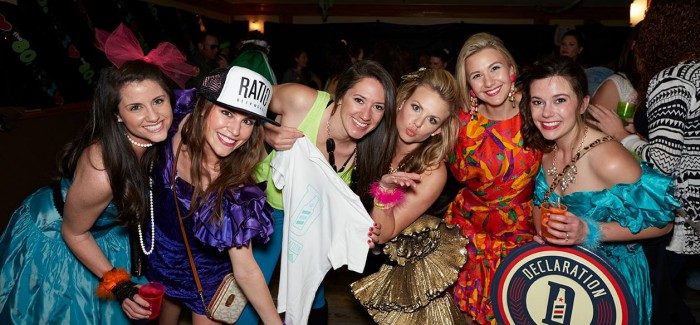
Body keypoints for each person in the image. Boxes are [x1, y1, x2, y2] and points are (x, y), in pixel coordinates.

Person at [0, 23, 195, 323]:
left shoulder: (158, 133)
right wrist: (120, 286)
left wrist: (266, 134)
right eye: (136, 107)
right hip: (60, 235)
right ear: (118, 114)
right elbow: (74, 232)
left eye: (158, 101)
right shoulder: (102, 170)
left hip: (107, 233)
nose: (154, 116)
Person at [520, 55, 679, 324]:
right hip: (567, 277)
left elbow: (664, 224)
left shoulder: (610, 159)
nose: (546, 113)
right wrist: (547, 241)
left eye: (560, 100)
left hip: (613, 280)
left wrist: (589, 231)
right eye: (538, 102)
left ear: (583, 104)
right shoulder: (548, 150)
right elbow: (540, 205)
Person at [236, 59, 392, 324]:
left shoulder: (373, 148)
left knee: (310, 293)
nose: (366, 115)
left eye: (378, 107)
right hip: (266, 209)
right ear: (341, 96)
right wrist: (265, 130)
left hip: (312, 222)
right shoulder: (301, 100)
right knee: (251, 297)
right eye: (359, 100)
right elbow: (243, 103)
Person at [143, 66, 283, 325]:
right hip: (161, 256)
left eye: (248, 121)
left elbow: (246, 268)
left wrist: (274, 322)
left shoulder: (232, 192)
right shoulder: (176, 118)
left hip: (205, 276)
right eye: (227, 113)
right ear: (204, 107)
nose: (235, 130)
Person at [588, 1, 700, 323]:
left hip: (682, 213)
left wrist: (622, 137)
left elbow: (665, 160)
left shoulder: (672, 77)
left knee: (655, 301)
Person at [349, 68, 468, 324]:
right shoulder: (370, 132)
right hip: (358, 254)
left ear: (438, 130)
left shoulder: (432, 171)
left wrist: (385, 192)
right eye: (416, 108)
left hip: (402, 270)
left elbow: (385, 232)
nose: (417, 123)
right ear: (401, 103)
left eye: (432, 120)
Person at [445, 32, 542, 324]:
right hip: (467, 234)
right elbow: (425, 161)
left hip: (521, 234)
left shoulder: (538, 108)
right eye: (477, 75)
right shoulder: (457, 120)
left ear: (512, 70)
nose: (488, 82)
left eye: (494, 68)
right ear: (469, 85)